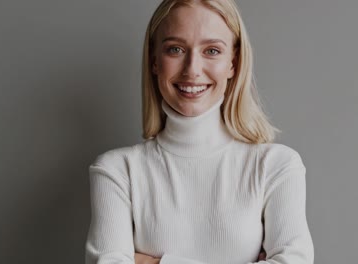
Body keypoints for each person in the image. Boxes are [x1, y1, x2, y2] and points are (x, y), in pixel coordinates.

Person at [85, 0, 314, 263]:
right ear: (154, 61)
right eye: (175, 49)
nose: (192, 69)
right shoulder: (117, 171)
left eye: (212, 51)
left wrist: (156, 263)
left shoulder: (275, 166)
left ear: (233, 63)